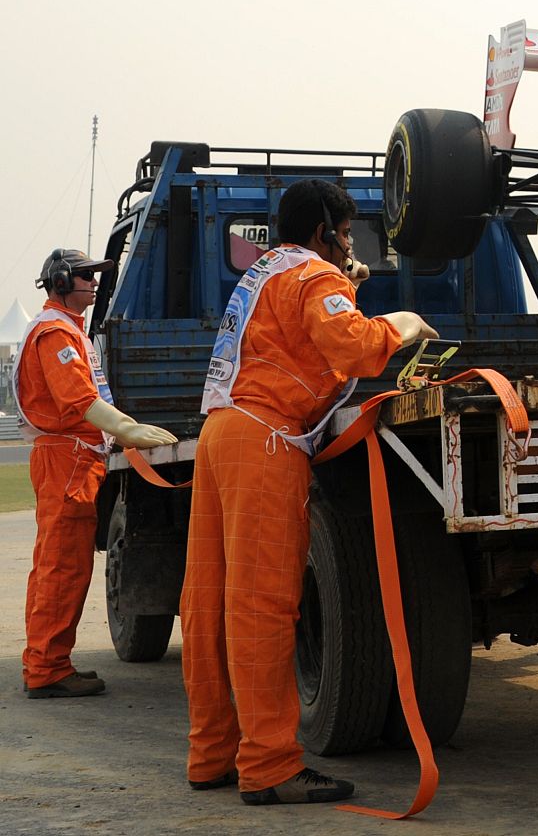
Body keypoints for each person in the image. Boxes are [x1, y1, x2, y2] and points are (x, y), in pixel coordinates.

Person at [180, 179, 437, 805]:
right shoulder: (313, 275)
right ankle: (269, 766)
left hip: (222, 433)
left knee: (210, 604)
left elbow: (301, 328)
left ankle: (212, 753)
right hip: (266, 439)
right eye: (347, 234)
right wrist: (402, 324)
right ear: (325, 232)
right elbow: (354, 347)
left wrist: (345, 283)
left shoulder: (268, 270)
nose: (351, 247)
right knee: (264, 607)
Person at [14, 249, 177, 698]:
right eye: (86, 276)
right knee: (61, 567)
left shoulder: (67, 330)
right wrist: (128, 428)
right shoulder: (55, 333)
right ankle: (47, 669)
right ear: (63, 281)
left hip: (71, 458)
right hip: (66, 460)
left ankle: (47, 662)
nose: (94, 283)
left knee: (61, 565)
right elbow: (77, 400)